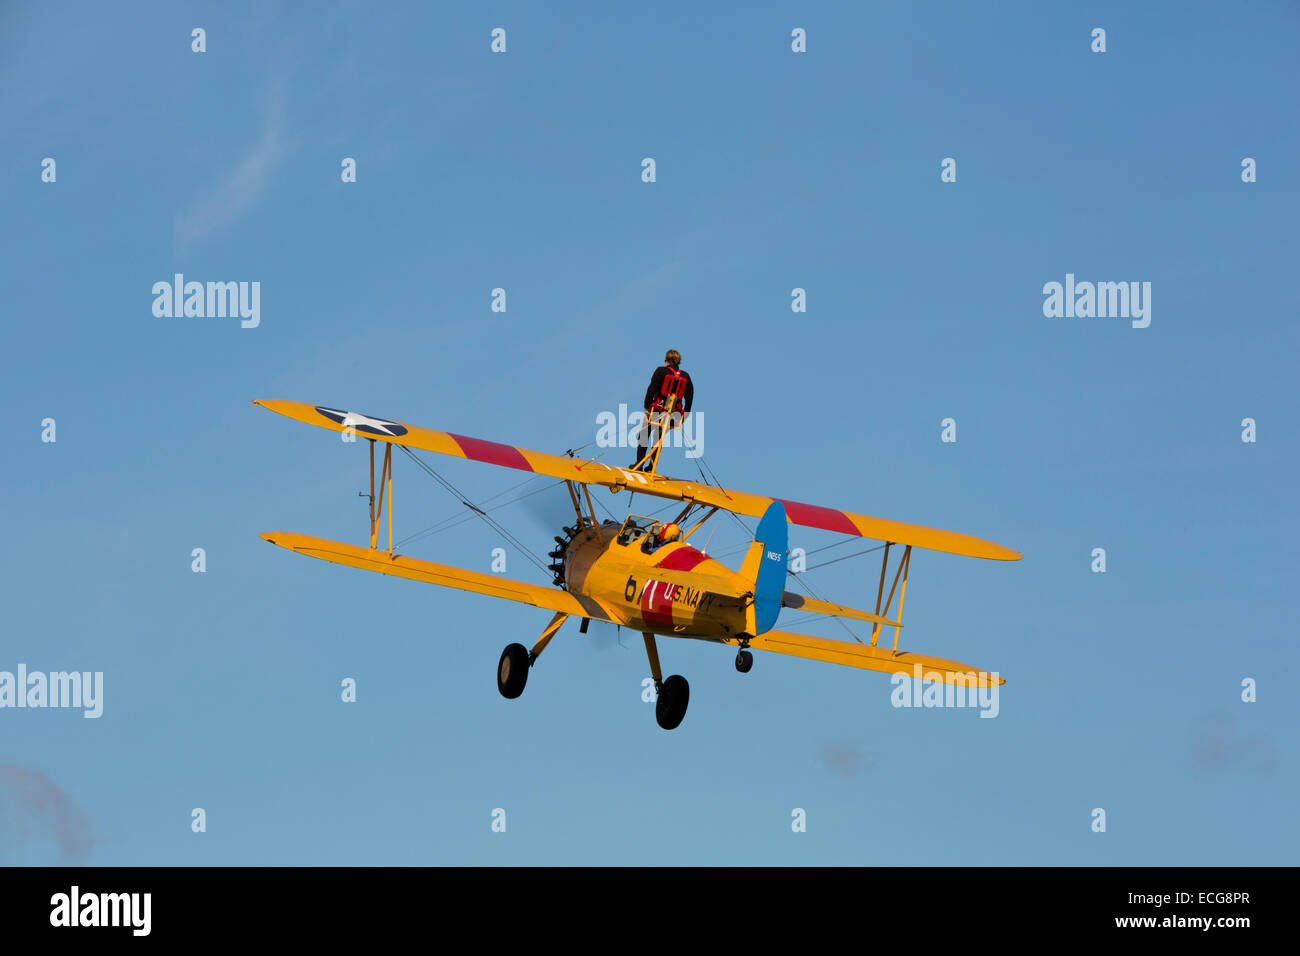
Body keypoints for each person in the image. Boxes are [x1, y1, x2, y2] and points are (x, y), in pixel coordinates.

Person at [633, 350, 694, 471]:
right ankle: (651, 467)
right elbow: (690, 396)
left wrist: (647, 408)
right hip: (673, 414)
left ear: (666, 361)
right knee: (658, 438)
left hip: (657, 409)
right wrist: (684, 416)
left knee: (644, 434)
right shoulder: (686, 376)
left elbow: (651, 390)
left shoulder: (661, 371)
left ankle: (639, 464)